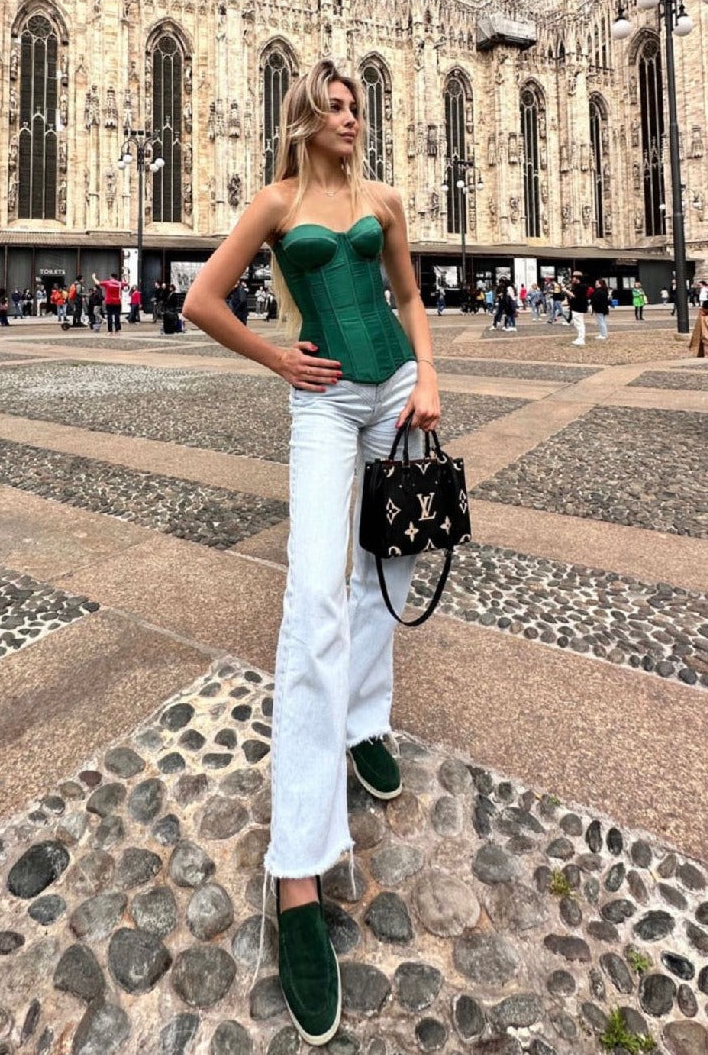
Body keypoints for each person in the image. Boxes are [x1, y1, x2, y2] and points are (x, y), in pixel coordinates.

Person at [183, 59, 439, 1047]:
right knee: (312, 605)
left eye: (358, 106)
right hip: (326, 407)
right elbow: (204, 300)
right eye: (335, 107)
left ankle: (363, 722)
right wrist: (281, 357)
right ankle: (297, 874)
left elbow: (409, 296)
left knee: (390, 571)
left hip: (395, 397)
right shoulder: (277, 202)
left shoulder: (383, 198)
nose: (351, 118)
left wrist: (430, 376)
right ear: (304, 120)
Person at [569, 270, 588, 346]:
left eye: (574, 277)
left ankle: (581, 339)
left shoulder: (581, 287)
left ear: (577, 278)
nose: (572, 279)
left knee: (579, 323)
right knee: (578, 323)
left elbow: (575, 295)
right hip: (576, 307)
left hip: (579, 307)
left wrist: (566, 291)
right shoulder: (578, 286)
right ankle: (580, 338)